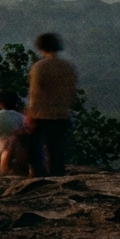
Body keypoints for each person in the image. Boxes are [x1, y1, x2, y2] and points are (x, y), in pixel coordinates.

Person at [26, 32, 77, 177]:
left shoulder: (40, 67)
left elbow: (35, 93)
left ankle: (39, 176)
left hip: (41, 114)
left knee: (34, 147)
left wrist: (30, 114)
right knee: (57, 150)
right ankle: (57, 176)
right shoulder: (68, 67)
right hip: (62, 115)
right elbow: (73, 93)